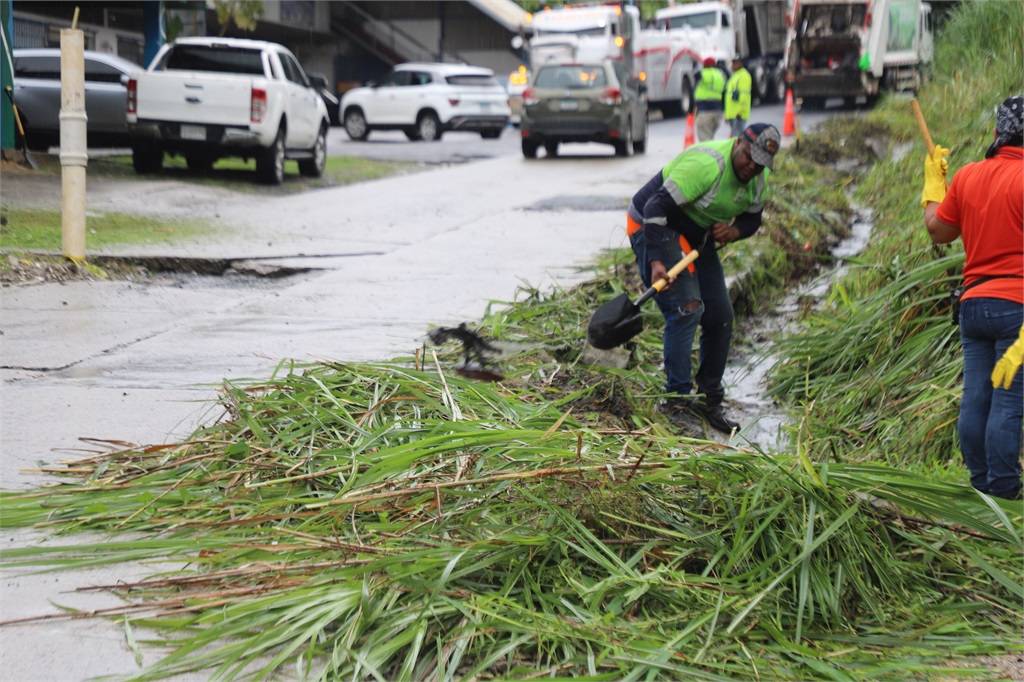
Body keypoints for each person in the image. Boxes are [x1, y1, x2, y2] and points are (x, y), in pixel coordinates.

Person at [626, 123, 781, 434]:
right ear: (739, 143)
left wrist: (734, 231)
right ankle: (676, 403)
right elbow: (656, 206)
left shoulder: (759, 181)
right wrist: (656, 261)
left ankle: (709, 399)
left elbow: (752, 219)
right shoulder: (707, 166)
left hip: (696, 235)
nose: (752, 168)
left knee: (721, 315)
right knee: (687, 308)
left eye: (760, 165)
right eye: (749, 159)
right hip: (653, 223)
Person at [922, 95, 1024, 501]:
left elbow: (937, 230)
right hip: (1017, 312)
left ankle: (980, 486)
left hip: (974, 307)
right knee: (1008, 401)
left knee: (977, 397)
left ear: (998, 133)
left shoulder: (967, 177)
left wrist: (934, 184)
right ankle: (1003, 494)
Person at [694, 57, 726, 142]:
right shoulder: (720, 74)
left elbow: (695, 75)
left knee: (704, 138)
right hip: (718, 112)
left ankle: (708, 155)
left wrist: (694, 62)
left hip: (706, 110)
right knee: (710, 136)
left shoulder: (705, 73)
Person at [725, 57, 752, 138]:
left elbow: (744, 96)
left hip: (738, 115)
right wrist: (727, 115)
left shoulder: (744, 76)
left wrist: (740, 111)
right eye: (733, 63)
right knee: (736, 138)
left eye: (735, 63)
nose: (733, 65)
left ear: (741, 64)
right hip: (732, 114)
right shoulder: (734, 76)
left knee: (739, 138)